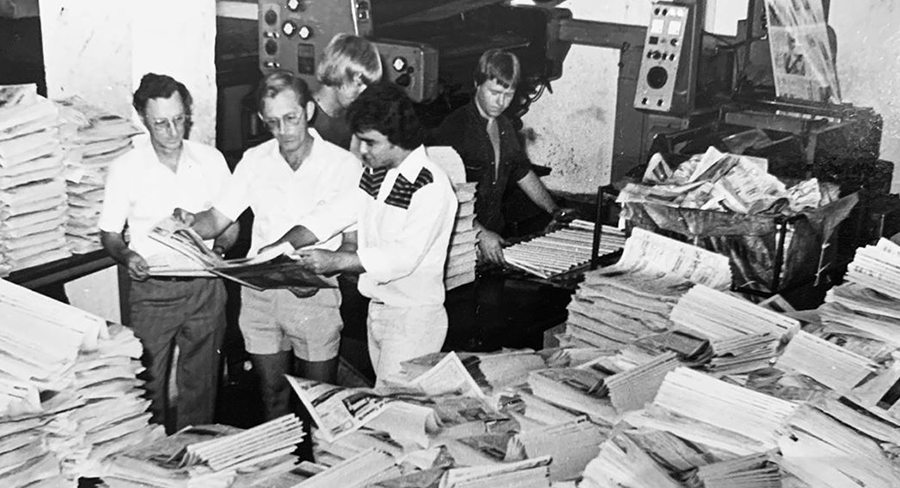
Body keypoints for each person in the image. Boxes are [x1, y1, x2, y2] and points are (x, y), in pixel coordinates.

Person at [176, 71, 362, 420]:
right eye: (273, 122)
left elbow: (331, 229)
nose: (284, 131)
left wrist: (281, 252)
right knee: (271, 396)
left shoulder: (342, 165)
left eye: (291, 119)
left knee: (318, 403)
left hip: (313, 292)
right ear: (263, 120)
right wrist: (189, 223)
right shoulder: (255, 160)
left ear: (308, 109)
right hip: (261, 292)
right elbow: (218, 218)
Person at [261, 83, 458, 386]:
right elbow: (334, 212)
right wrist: (281, 245)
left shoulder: (429, 185)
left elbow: (401, 257)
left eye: (370, 142)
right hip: (378, 312)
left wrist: (335, 261)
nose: (360, 150)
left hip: (413, 319)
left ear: (399, 138)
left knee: (395, 412)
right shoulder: (376, 173)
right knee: (386, 407)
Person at [98, 73, 238, 433]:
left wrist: (219, 248)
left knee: (202, 385)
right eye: (161, 123)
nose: (173, 131)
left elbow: (231, 223)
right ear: (143, 120)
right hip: (153, 291)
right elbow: (110, 234)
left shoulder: (211, 160)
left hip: (206, 287)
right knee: (148, 385)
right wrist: (128, 257)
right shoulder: (125, 169)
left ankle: (196, 456)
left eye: (179, 120)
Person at [430, 49, 574, 265]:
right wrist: (479, 234)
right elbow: (441, 196)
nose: (501, 102)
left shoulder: (505, 126)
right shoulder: (455, 128)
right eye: (494, 92)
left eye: (508, 95)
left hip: (493, 238)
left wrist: (553, 210)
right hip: (458, 242)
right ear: (477, 83)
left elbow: (522, 172)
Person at [310, 33, 382, 370]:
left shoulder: (350, 120)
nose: (365, 95)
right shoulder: (306, 119)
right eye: (360, 84)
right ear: (340, 75)